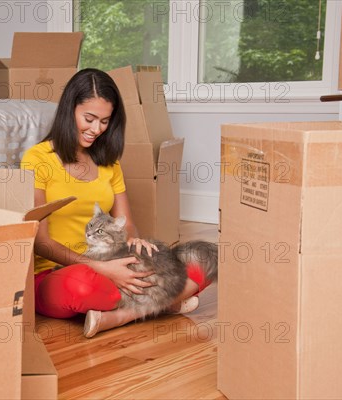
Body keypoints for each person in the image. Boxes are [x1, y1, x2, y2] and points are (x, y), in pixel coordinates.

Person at [20, 68, 206, 338]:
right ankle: (161, 303)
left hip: (112, 263)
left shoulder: (108, 162)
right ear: (69, 110)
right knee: (84, 288)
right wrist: (97, 267)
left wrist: (134, 244)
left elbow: (127, 223)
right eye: (89, 118)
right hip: (57, 273)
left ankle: (119, 316)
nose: (97, 129)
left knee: (202, 260)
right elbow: (40, 240)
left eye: (105, 121)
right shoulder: (37, 159)